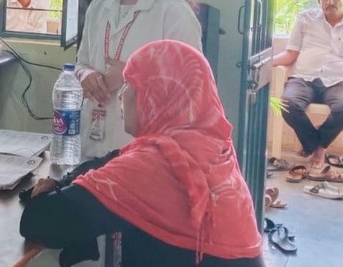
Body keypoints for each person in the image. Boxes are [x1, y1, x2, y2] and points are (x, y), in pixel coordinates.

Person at [20, 40, 264, 267]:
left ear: (156, 95)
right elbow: (111, 160)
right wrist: (64, 181)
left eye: (131, 84)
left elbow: (38, 222)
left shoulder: (150, 169)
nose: (123, 95)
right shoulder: (209, 146)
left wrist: (46, 193)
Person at [75, 0, 202, 161]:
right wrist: (85, 75)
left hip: (145, 157)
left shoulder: (174, 13)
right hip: (91, 145)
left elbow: (193, 92)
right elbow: (81, 62)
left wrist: (134, 77)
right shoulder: (99, 6)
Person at [273, 0, 343, 172]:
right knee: (286, 104)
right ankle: (316, 146)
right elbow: (290, 53)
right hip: (304, 78)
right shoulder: (306, 18)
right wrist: (266, 63)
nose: (330, 2)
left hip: (338, 81)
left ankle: (318, 147)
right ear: (319, 0)